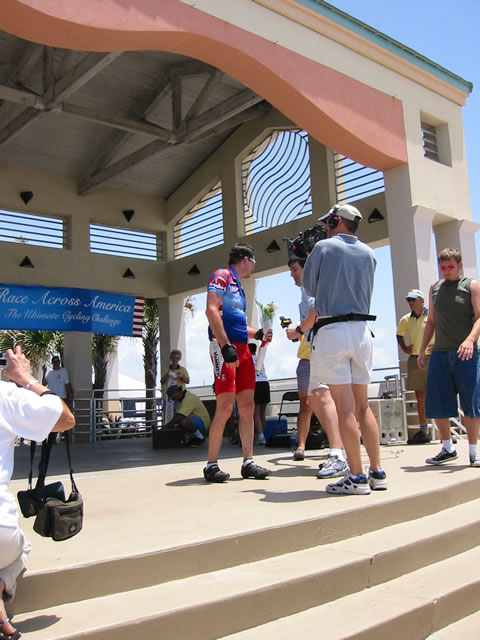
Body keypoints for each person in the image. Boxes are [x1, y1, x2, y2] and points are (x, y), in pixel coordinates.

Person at [303, 203, 387, 495]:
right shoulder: (369, 252)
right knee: (363, 406)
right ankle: (377, 472)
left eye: (328, 222)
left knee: (344, 408)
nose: (325, 227)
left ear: (337, 221)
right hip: (362, 331)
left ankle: (357, 477)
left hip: (333, 330)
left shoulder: (323, 247)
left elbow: (309, 288)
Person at [0, 346, 75, 640]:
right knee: (21, 548)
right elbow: (66, 419)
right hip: (1, 533)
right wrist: (25, 378)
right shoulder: (6, 395)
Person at [204, 242, 272, 482]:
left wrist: (259, 334)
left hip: (243, 349)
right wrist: (225, 346)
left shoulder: (239, 287)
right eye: (253, 263)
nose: (253, 268)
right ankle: (211, 465)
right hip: (225, 348)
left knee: (248, 406)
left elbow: (239, 324)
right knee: (225, 407)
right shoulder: (221, 276)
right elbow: (211, 310)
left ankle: (248, 462)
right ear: (246, 260)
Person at [285, 257, 348, 479]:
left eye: (294, 269)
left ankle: (339, 454)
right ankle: (344, 453)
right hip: (324, 346)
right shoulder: (321, 284)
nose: (291, 274)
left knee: (323, 396)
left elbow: (316, 310)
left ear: (307, 269)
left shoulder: (310, 287)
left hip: (324, 347)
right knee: (317, 399)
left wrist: (298, 330)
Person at [418, 248, 480, 467]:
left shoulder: (471, 286)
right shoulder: (435, 288)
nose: (446, 271)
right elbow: (431, 321)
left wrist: (470, 340)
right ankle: (447, 448)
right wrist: (422, 349)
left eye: (450, 267)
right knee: (436, 403)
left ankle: (474, 452)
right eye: (442, 267)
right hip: (440, 353)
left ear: (459, 266)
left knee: (471, 403)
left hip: (467, 354)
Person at [396, 289, 434, 444]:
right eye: (408, 300)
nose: (410, 303)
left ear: (421, 300)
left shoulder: (432, 316)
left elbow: (444, 329)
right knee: (420, 396)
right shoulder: (405, 319)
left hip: (432, 358)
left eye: (413, 299)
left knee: (438, 393)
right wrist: (404, 348)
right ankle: (424, 432)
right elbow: (399, 334)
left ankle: (445, 434)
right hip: (415, 359)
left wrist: (438, 344)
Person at [248, 343, 270, 446]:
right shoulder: (259, 359)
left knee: (255, 412)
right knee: (262, 412)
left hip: (255, 383)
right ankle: (263, 434)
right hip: (265, 383)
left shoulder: (248, 360)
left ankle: (260, 436)